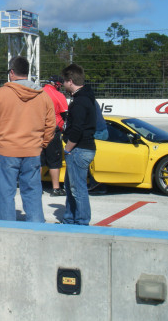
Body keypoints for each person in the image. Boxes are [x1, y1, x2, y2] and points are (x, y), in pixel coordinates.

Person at [0, 56, 55, 222]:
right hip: (32, 151)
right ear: (27, 72)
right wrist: (41, 144)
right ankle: (36, 228)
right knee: (33, 192)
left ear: (12, 72)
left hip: (6, 150)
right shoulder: (43, 96)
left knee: (4, 193)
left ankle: (6, 229)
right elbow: (51, 125)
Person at [60, 64, 96, 225]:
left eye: (64, 82)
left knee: (77, 188)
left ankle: (82, 222)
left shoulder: (80, 101)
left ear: (70, 81)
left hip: (79, 149)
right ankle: (69, 219)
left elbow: (77, 129)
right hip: (81, 148)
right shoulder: (85, 98)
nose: (62, 85)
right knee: (70, 187)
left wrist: (67, 149)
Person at [41, 75, 69, 197]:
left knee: (39, 161)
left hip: (37, 131)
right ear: (57, 84)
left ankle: (36, 187)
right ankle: (56, 188)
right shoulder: (58, 95)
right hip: (53, 131)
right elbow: (66, 114)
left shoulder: (38, 92)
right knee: (54, 161)